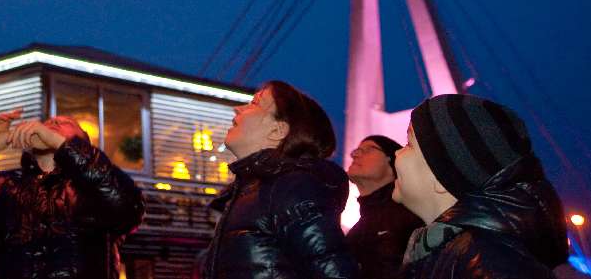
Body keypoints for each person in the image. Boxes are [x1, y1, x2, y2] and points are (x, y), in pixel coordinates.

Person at [0, 109, 145, 279]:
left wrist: (63, 146)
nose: (51, 122)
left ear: (81, 145)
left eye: (64, 123)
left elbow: (129, 207)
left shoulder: (93, 190)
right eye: (48, 121)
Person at [392, 94, 569, 278]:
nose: (396, 153)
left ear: (441, 177)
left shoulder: (486, 265)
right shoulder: (453, 254)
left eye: (408, 144)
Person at [203, 81, 358, 279]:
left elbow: (335, 271)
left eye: (255, 103)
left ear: (277, 131)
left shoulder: (293, 188)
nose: (237, 109)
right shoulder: (248, 192)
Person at [345, 135, 422, 279]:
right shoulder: (356, 231)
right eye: (356, 150)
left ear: (392, 161)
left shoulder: (411, 215)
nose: (355, 154)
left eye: (368, 149)